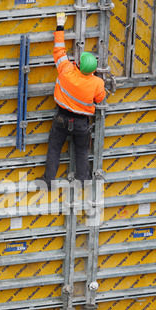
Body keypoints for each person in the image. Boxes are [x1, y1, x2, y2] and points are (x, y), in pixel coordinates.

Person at [41, 12, 106, 189]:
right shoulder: (97, 83)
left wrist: (60, 25)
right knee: (82, 151)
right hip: (81, 124)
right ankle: (83, 181)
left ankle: (48, 181)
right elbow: (100, 99)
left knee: (54, 150)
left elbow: (59, 49)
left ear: (78, 64)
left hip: (61, 119)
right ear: (93, 70)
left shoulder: (66, 71)